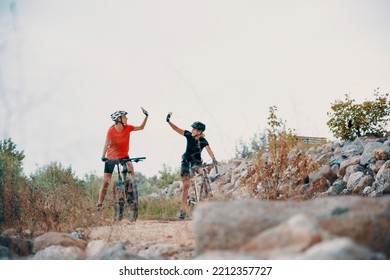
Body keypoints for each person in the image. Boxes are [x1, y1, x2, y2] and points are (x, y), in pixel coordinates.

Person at [166, 112, 217, 219]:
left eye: (194, 129)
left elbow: (209, 149)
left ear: (200, 132)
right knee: (186, 187)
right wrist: (168, 121)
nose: (192, 130)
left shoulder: (203, 141)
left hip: (196, 163)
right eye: (193, 129)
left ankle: (206, 191)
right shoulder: (189, 135)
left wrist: (213, 159)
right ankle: (183, 210)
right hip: (185, 162)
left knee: (202, 172)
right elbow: (176, 129)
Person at [97, 107, 148, 210]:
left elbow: (141, 127)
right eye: (125, 117)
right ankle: (99, 204)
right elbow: (106, 144)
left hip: (124, 155)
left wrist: (146, 116)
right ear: (119, 119)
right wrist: (103, 156)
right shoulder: (111, 130)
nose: (127, 118)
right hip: (111, 157)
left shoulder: (128, 128)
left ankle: (129, 192)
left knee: (130, 167)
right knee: (106, 181)